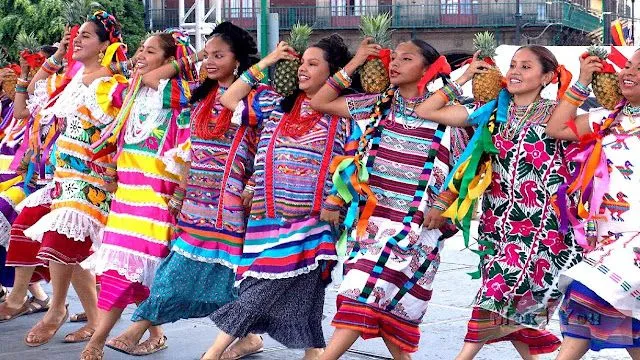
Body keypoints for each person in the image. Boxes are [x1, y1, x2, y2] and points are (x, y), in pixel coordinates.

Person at [402, 45, 583, 360]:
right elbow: (427, 111)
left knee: (494, 297)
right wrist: (465, 76)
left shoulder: (558, 114)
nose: (515, 71)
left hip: (543, 227)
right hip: (496, 225)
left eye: (526, 67)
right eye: (513, 65)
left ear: (548, 77)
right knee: (509, 309)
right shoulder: (491, 112)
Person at [201, 34, 357, 360]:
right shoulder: (275, 103)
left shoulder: (345, 113)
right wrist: (269, 62)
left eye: (313, 64)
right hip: (266, 218)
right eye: (302, 63)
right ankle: (314, 351)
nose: (302, 69)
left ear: (333, 73)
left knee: (262, 289)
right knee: (301, 291)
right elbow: (230, 99)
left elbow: (353, 163)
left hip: (315, 220)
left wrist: (336, 202)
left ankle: (212, 353)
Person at [310, 38, 467, 359]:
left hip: (417, 227)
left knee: (366, 298)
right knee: (376, 304)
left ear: (428, 68)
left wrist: (442, 204)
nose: (394, 64)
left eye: (406, 59)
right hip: (373, 223)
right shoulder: (378, 103)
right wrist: (354, 63)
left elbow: (466, 164)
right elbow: (321, 102)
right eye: (393, 58)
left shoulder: (451, 111)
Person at [122, 22, 265, 358]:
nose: (210, 61)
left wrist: (253, 185)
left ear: (238, 60)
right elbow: (151, 79)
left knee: (231, 279)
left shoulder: (258, 98)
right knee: (176, 268)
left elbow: (265, 145)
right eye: (208, 55)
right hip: (196, 203)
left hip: (232, 205)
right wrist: (196, 55)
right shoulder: (198, 91)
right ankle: (138, 326)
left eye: (219, 55)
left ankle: (249, 336)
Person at [78, 30, 196, 360]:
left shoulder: (176, 98)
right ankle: (156, 336)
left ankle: (97, 340)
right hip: (126, 197)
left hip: (156, 201)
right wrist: (133, 62)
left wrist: (179, 197)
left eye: (150, 51)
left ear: (171, 61)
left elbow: (186, 154)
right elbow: (91, 80)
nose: (141, 56)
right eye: (140, 50)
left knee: (129, 272)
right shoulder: (131, 93)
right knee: (132, 273)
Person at [19, 10, 128, 347]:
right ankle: (83, 317)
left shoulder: (112, 84)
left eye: (86, 36)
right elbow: (33, 94)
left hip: (92, 181)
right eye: (75, 34)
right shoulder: (70, 80)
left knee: (66, 245)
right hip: (64, 179)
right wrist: (55, 55)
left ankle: (59, 311)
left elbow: (118, 135)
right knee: (66, 248)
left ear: (104, 46)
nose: (77, 39)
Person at [545, 48, 640, 360]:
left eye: (639, 69)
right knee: (615, 322)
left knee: (586, 297)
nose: (629, 73)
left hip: (634, 242)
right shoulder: (606, 118)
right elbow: (556, 128)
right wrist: (582, 81)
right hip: (607, 239)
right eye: (628, 66)